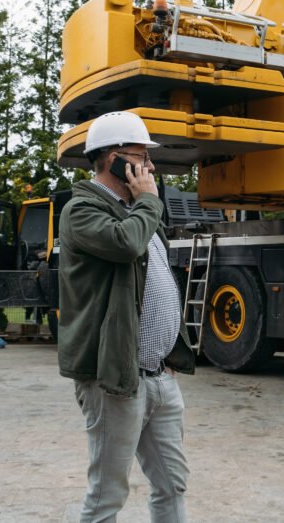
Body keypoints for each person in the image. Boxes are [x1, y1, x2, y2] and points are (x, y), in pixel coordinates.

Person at [57, 110, 195, 523]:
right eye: (142, 156)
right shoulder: (81, 210)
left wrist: (166, 359)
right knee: (107, 495)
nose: (150, 167)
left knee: (173, 483)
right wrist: (150, 201)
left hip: (158, 377)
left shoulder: (139, 211)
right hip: (115, 378)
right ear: (116, 158)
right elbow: (126, 244)